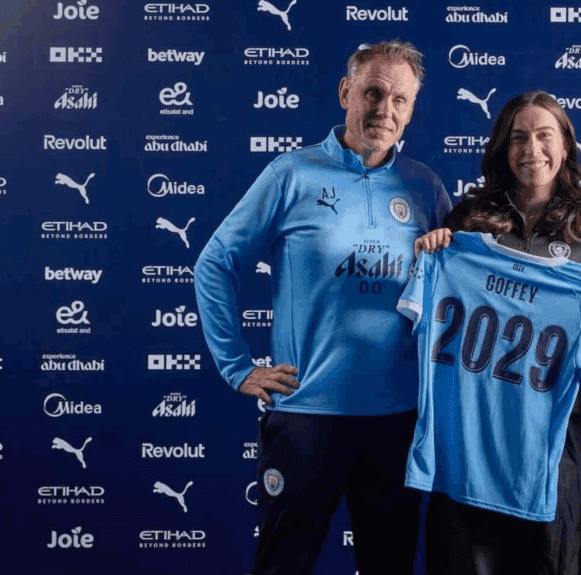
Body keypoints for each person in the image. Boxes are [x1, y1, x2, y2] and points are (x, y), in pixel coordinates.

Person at [194, 40, 451, 575]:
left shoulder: (425, 188)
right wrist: (238, 367)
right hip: (305, 417)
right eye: (373, 93)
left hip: (396, 422)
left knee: (390, 566)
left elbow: (458, 288)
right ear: (345, 93)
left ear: (412, 110)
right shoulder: (292, 174)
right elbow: (214, 262)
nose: (385, 110)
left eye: (400, 100)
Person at [414, 91, 581, 575]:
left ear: (566, 147)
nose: (532, 148)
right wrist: (436, 251)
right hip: (471, 438)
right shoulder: (465, 226)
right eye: (518, 137)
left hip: (551, 445)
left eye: (544, 135)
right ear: (501, 150)